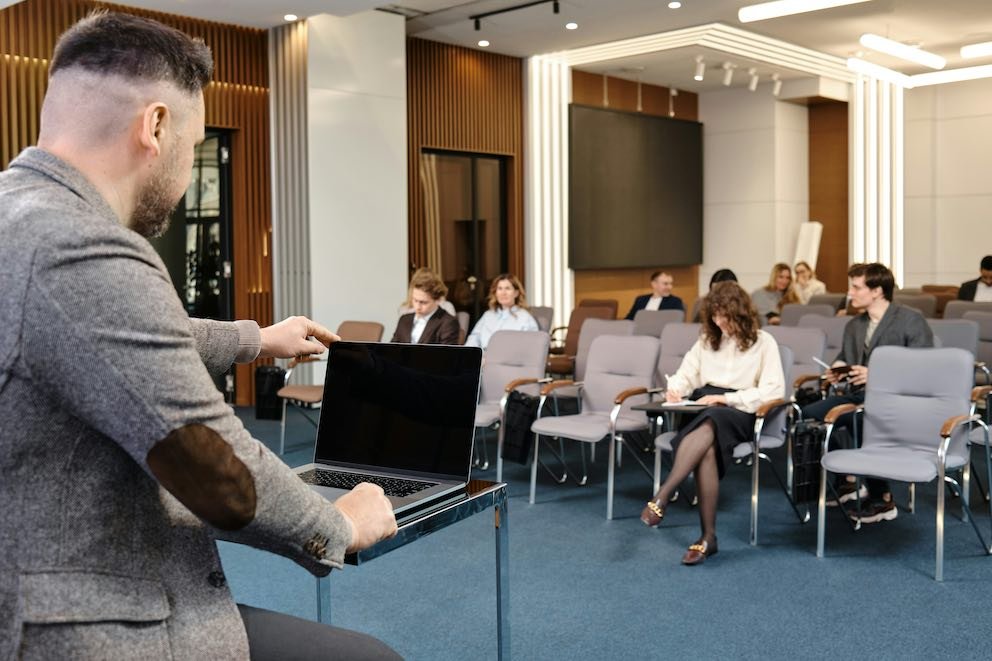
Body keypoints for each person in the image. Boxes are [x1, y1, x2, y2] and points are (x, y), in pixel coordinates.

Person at [0, 12, 400, 660]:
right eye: (195, 142)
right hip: (84, 627)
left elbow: (125, 336)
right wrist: (340, 524)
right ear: (155, 127)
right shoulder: (86, 248)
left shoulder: (22, 221)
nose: (190, 170)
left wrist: (255, 339)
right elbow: (218, 468)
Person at [639, 281, 785, 565]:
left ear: (740, 313)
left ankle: (663, 495)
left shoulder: (764, 342)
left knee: (713, 420)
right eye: (715, 316)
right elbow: (687, 374)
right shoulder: (707, 339)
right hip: (704, 406)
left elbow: (774, 391)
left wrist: (728, 400)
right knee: (707, 444)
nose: (719, 322)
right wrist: (677, 389)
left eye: (725, 316)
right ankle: (708, 538)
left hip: (740, 410)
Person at [802, 262, 933, 524]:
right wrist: (837, 368)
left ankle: (882, 499)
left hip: (900, 400)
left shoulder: (910, 320)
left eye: (856, 287)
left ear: (877, 291)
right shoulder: (855, 325)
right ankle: (847, 480)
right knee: (807, 417)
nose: (850, 293)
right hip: (861, 396)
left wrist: (876, 376)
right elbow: (845, 358)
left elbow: (925, 370)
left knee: (864, 420)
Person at [465, 273, 538, 349]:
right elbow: (474, 337)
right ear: (495, 293)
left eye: (507, 288)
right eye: (500, 288)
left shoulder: (525, 317)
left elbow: (532, 347)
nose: (503, 293)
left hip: (509, 359)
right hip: (483, 358)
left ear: (516, 293)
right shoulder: (488, 315)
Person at [391, 268, 460, 344]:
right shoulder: (404, 320)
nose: (418, 306)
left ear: (437, 300)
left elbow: (447, 354)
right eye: (415, 300)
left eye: (423, 302)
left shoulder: (447, 323)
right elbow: (392, 349)